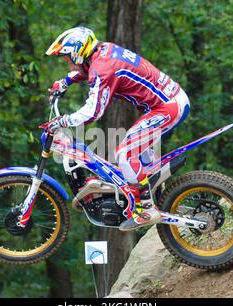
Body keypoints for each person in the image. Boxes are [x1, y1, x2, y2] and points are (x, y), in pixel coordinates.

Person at [40, 26, 190, 231]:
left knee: (126, 153)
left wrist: (62, 121)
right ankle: (153, 194)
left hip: (169, 107)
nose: (66, 62)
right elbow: (88, 71)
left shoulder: (103, 68)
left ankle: (147, 209)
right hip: (168, 102)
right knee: (135, 155)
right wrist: (65, 81)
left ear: (77, 51)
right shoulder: (103, 52)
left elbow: (93, 112)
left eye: (67, 57)